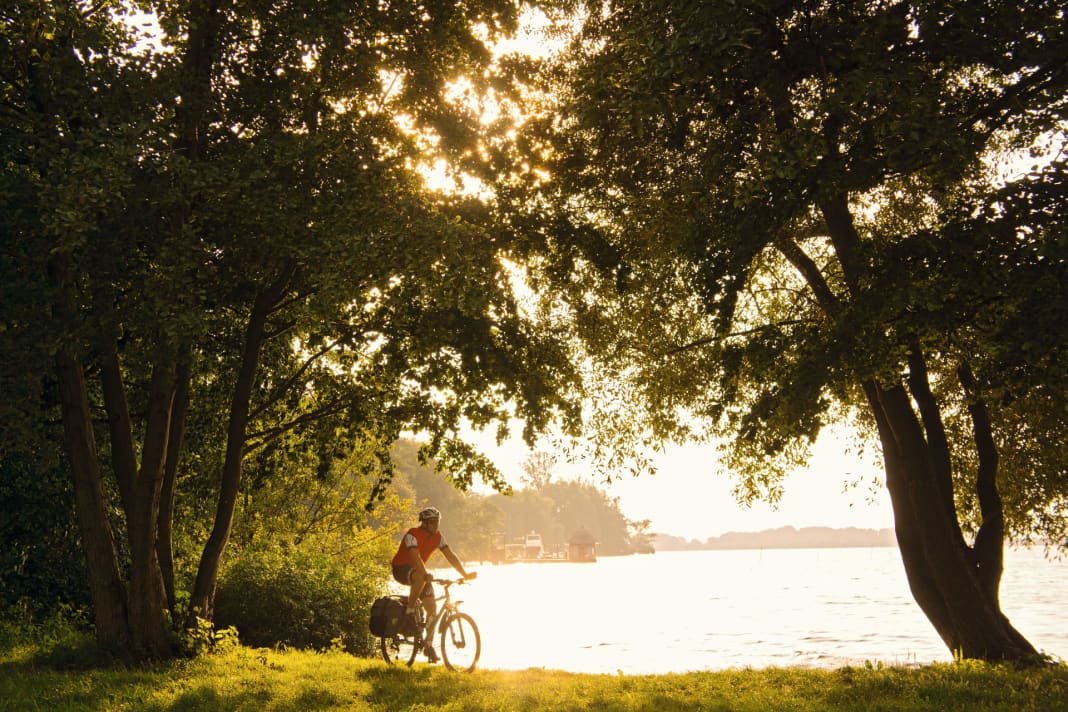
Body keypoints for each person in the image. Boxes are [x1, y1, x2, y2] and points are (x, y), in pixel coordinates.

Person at [390, 506, 476, 661]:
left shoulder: (438, 537)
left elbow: (450, 555)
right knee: (420, 577)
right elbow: (415, 558)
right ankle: (409, 611)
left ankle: (428, 646)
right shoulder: (412, 535)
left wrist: (464, 574)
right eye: (433, 522)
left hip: (420, 572)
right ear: (424, 523)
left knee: (432, 609)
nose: (436, 525)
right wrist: (425, 574)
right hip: (401, 568)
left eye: (438, 521)